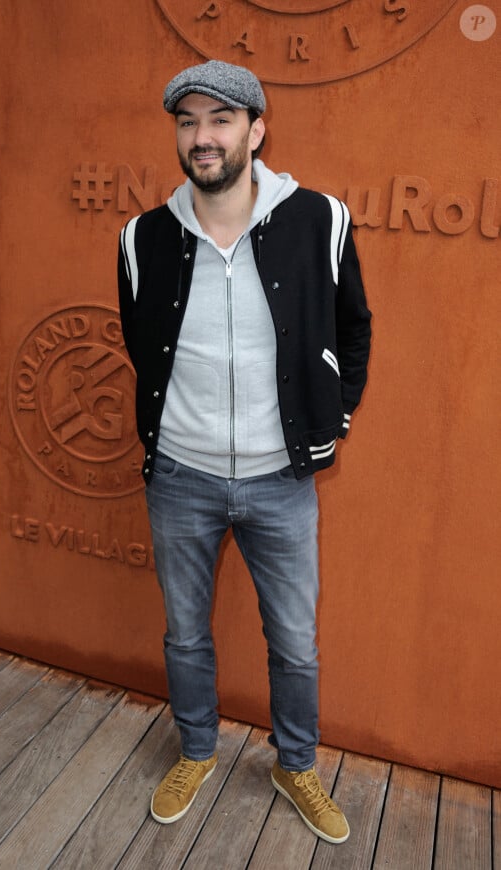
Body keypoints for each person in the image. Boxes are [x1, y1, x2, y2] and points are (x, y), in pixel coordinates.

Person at [118, 60, 371, 844]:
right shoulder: (142, 237)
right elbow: (142, 344)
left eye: (220, 120)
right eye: (188, 122)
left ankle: (296, 764)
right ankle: (196, 748)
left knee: (294, 640)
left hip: (280, 478)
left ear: (256, 131)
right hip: (181, 479)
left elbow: (353, 327)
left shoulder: (319, 219)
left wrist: (340, 415)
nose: (203, 137)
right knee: (185, 632)